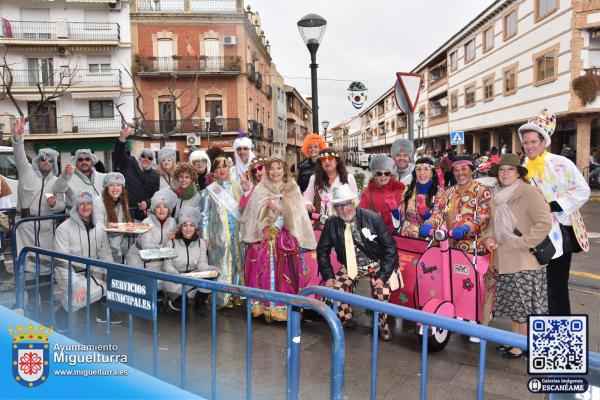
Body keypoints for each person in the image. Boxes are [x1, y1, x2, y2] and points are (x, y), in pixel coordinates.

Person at [518, 110, 590, 315]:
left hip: (559, 236)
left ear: (544, 142)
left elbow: (582, 190)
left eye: (533, 141)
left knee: (556, 289)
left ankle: (561, 340)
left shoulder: (561, 163)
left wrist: (553, 205)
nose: (529, 146)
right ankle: (541, 340)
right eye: (526, 142)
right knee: (537, 289)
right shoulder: (523, 168)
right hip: (535, 237)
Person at [483, 154, 552, 359]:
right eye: (501, 170)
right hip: (505, 260)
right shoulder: (497, 195)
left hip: (525, 260)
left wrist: (523, 243)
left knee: (526, 307)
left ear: (518, 173)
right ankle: (518, 342)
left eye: (510, 169)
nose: (505, 173)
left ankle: (523, 346)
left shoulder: (529, 192)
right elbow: (492, 226)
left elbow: (544, 223)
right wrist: (488, 239)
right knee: (516, 306)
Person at [317, 184, 399, 341]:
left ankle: (383, 325)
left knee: (383, 293)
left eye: (347, 204)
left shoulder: (373, 218)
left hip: (375, 264)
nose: (343, 209)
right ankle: (345, 318)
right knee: (334, 291)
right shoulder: (332, 223)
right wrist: (328, 275)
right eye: (339, 205)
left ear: (354, 203)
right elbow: (322, 250)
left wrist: (382, 275)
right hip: (351, 265)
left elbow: (390, 247)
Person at [241, 158, 316, 322]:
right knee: (263, 273)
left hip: (285, 240)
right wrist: (263, 223)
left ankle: (282, 308)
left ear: (284, 170)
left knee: (285, 274)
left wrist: (279, 209)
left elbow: (298, 214)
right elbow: (252, 213)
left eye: (278, 168)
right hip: (263, 239)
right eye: (271, 169)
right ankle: (264, 307)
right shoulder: (261, 188)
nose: (275, 172)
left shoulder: (292, 187)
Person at [11, 117, 65, 304]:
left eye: (50, 160)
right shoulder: (25, 171)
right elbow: (18, 154)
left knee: (45, 267)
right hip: (24, 230)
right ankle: (29, 302)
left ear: (54, 164)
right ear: (37, 160)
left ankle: (47, 301)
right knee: (25, 267)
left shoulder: (56, 182)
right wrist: (18, 137)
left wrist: (53, 204)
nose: (46, 161)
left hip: (46, 230)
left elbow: (61, 206)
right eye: (43, 158)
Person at [54, 191, 115, 325]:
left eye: (89, 203)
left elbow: (105, 253)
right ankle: (62, 313)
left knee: (114, 285)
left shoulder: (99, 227)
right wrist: (74, 284)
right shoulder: (63, 229)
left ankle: (98, 309)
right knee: (80, 296)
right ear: (75, 207)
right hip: (71, 272)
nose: (86, 207)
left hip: (93, 270)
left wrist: (108, 271)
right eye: (81, 204)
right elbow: (62, 263)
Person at [199, 156, 245, 309]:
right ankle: (223, 297)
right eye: (218, 167)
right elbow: (204, 215)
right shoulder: (209, 191)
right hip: (219, 234)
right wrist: (205, 236)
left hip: (237, 233)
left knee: (238, 263)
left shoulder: (237, 187)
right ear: (214, 172)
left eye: (225, 166)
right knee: (223, 264)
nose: (222, 170)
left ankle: (237, 293)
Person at [426, 155, 491, 254]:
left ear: (472, 171)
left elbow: (484, 217)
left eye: (464, 168)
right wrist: (430, 223)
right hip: (451, 248)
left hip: (475, 251)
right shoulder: (448, 192)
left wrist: (468, 227)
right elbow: (438, 213)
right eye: (456, 170)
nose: (460, 173)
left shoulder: (482, 191)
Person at [164, 207, 217, 317]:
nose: (188, 229)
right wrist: (175, 273)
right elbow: (167, 265)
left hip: (193, 276)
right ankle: (175, 297)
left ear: (196, 227)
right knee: (180, 305)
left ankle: (200, 301)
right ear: (180, 227)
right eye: (185, 225)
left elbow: (202, 263)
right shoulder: (171, 242)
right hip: (176, 277)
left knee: (211, 275)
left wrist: (209, 270)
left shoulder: (201, 243)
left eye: (191, 225)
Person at [125, 188, 177, 274]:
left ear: (169, 210)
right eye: (158, 207)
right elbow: (146, 248)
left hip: (158, 263)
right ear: (154, 210)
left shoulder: (172, 222)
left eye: (165, 207)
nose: (161, 210)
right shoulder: (146, 222)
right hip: (138, 262)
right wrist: (167, 248)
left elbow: (174, 244)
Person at [115, 126, 160, 221]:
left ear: (153, 161)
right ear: (139, 157)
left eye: (150, 157)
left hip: (145, 216)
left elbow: (156, 195)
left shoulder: (155, 175)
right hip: (126, 212)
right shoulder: (130, 163)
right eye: (143, 156)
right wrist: (122, 139)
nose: (146, 159)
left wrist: (147, 202)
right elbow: (119, 155)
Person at [303, 149, 358, 225]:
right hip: (322, 224)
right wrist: (307, 203)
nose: (327, 161)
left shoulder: (349, 178)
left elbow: (355, 202)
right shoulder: (314, 178)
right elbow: (306, 197)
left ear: (337, 161)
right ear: (320, 163)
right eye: (323, 159)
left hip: (343, 223)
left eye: (330, 159)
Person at [398, 157, 445, 238]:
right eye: (418, 169)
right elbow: (402, 214)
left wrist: (426, 217)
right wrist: (395, 210)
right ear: (415, 173)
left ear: (432, 173)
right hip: (407, 236)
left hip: (428, 237)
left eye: (426, 169)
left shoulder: (439, 192)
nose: (422, 173)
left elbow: (440, 214)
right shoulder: (408, 189)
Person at [358, 154, 405, 234]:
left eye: (386, 173)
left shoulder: (399, 190)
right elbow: (360, 215)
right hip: (373, 234)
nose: (383, 176)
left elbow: (403, 218)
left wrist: (394, 210)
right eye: (379, 173)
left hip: (393, 234)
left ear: (391, 175)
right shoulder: (368, 192)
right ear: (375, 175)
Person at [93, 173, 134, 263]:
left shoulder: (122, 200)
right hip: (101, 247)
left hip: (116, 244)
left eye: (118, 185)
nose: (115, 188)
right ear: (106, 187)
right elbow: (98, 226)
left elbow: (123, 222)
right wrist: (108, 226)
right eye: (111, 185)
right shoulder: (98, 202)